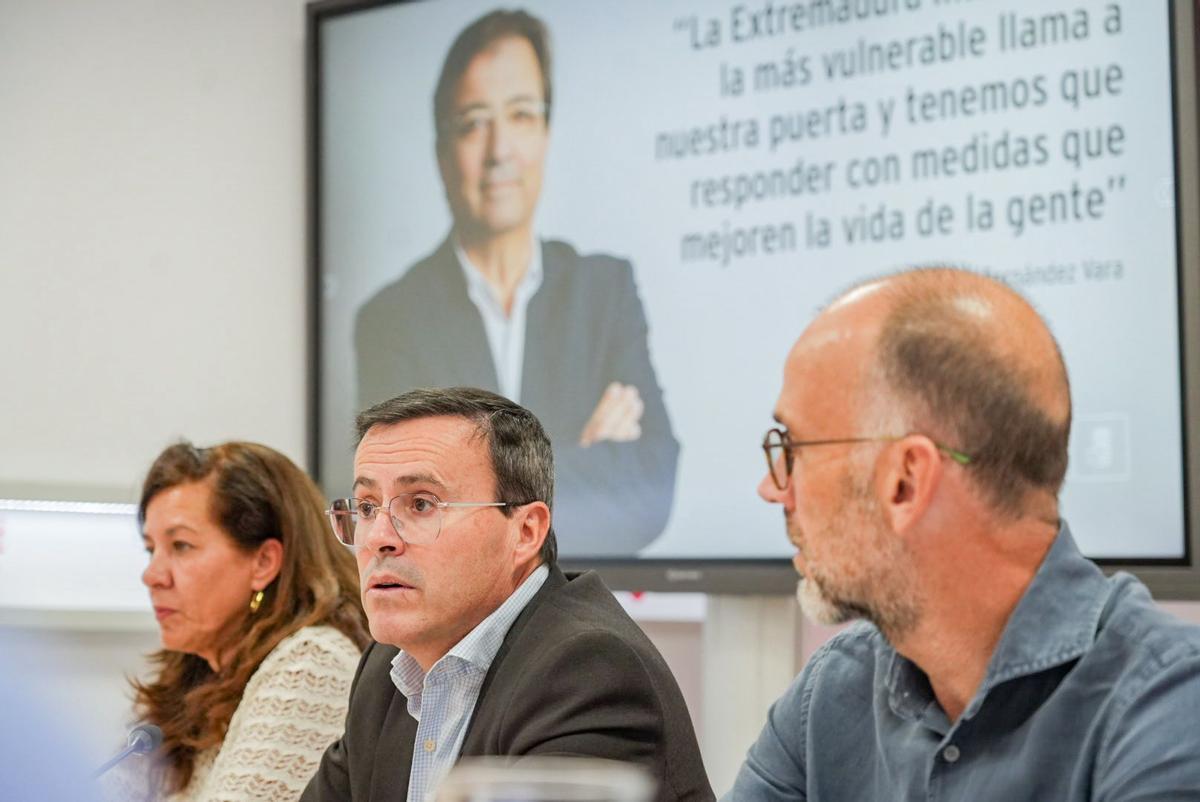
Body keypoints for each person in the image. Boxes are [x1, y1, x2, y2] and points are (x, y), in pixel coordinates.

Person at [724, 267, 1200, 801]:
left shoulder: (1170, 708)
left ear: (906, 480)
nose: (773, 488)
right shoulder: (831, 694)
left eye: (793, 449)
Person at [354, 9, 678, 555]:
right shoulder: (392, 319)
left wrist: (472, 498)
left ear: (546, 134)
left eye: (522, 115)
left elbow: (651, 488)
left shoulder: (604, 290)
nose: (499, 150)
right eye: (473, 123)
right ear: (442, 152)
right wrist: (582, 456)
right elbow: (403, 515)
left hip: (574, 598)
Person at [301, 387, 712, 802]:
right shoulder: (387, 666)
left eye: (421, 505)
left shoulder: (588, 669)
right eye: (367, 508)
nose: (378, 538)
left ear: (526, 531)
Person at [109, 442, 371, 801]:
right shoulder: (193, 676)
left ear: (264, 562)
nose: (152, 575)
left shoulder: (313, 663)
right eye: (151, 549)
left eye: (181, 546)